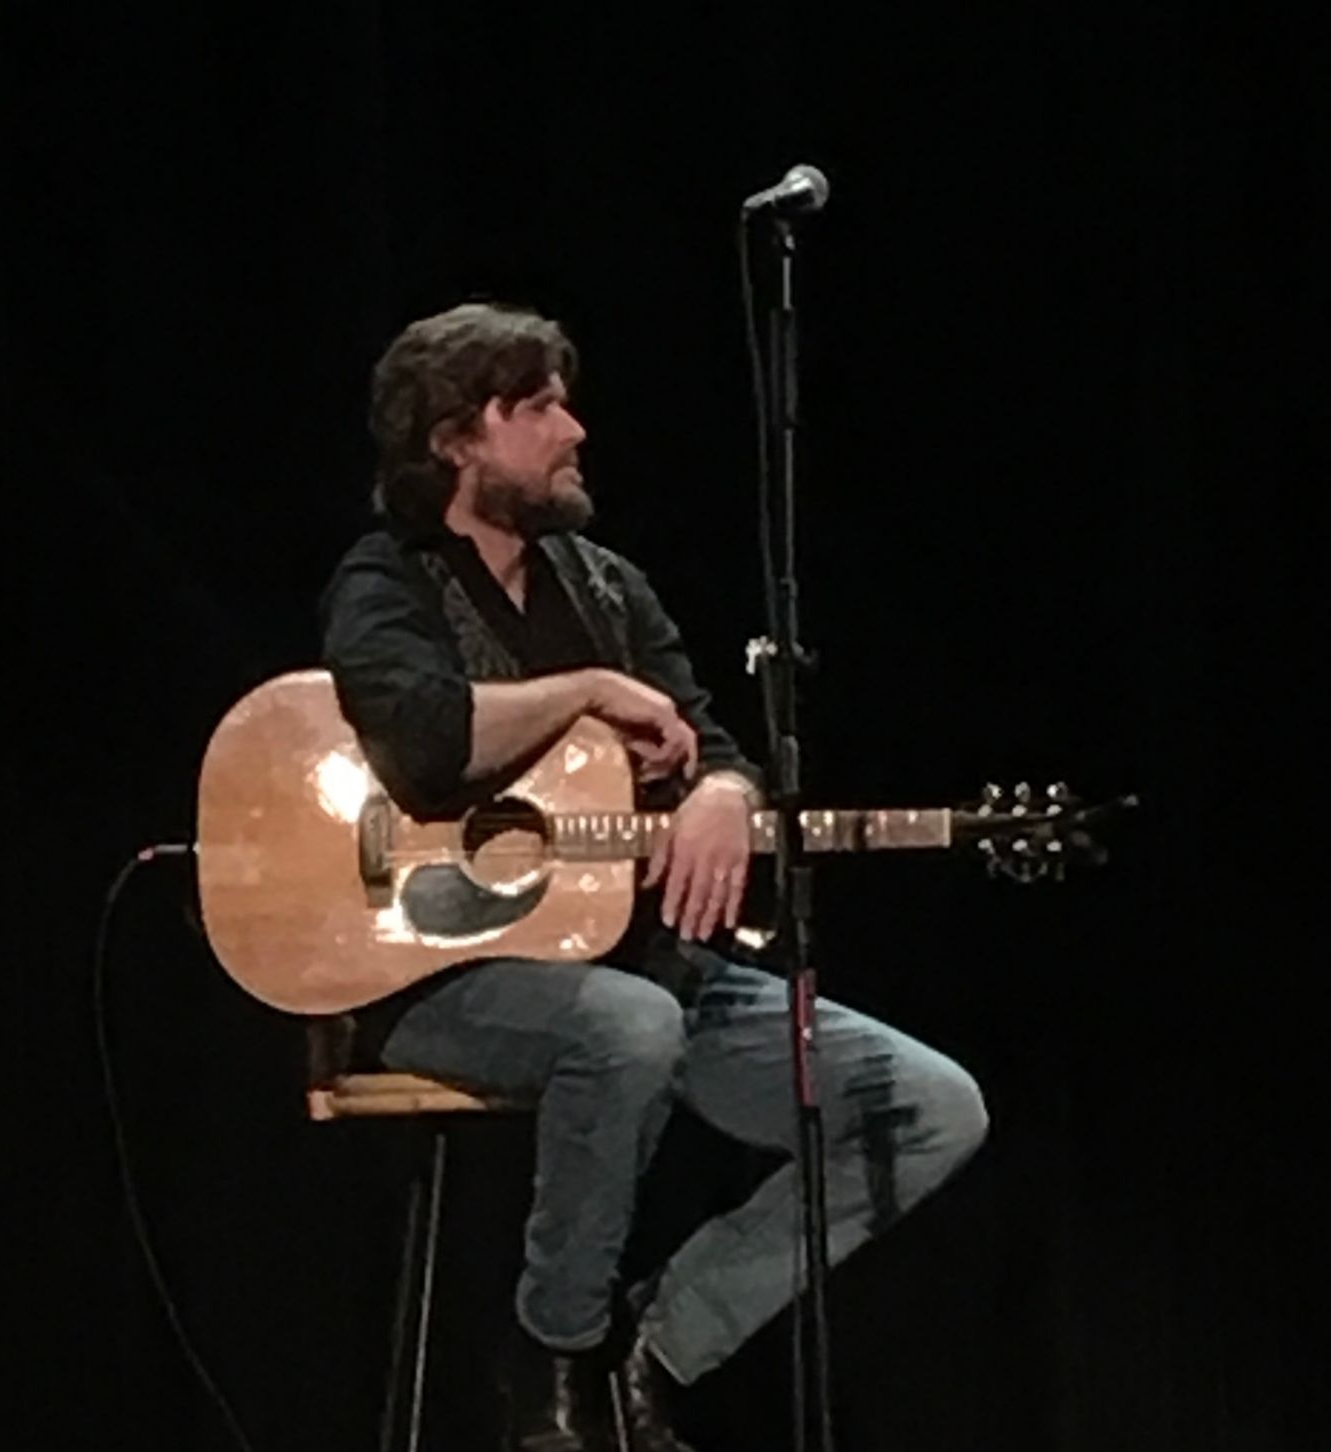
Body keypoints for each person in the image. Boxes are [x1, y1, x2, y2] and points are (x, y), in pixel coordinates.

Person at [319, 302, 987, 1452]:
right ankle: (553, 1355)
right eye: (537, 408)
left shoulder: (606, 587)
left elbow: (712, 745)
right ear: (456, 439)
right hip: (448, 980)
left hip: (645, 965)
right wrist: (584, 691)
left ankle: (655, 1347)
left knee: (930, 1110)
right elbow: (422, 740)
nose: (574, 430)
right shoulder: (387, 582)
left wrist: (724, 794)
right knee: (624, 1027)